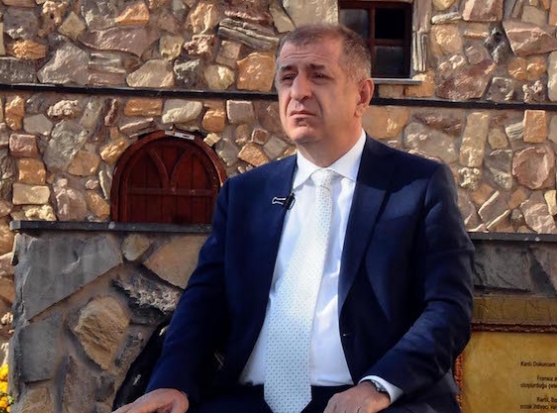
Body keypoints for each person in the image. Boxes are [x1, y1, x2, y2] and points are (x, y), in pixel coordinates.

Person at [113, 24, 474, 413]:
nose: (298, 92)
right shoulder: (245, 194)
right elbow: (204, 302)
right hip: (248, 402)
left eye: (318, 76)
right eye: (287, 78)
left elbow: (448, 308)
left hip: (372, 400)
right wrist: (173, 383)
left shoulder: (417, 186)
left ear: (362, 94)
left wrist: (378, 386)